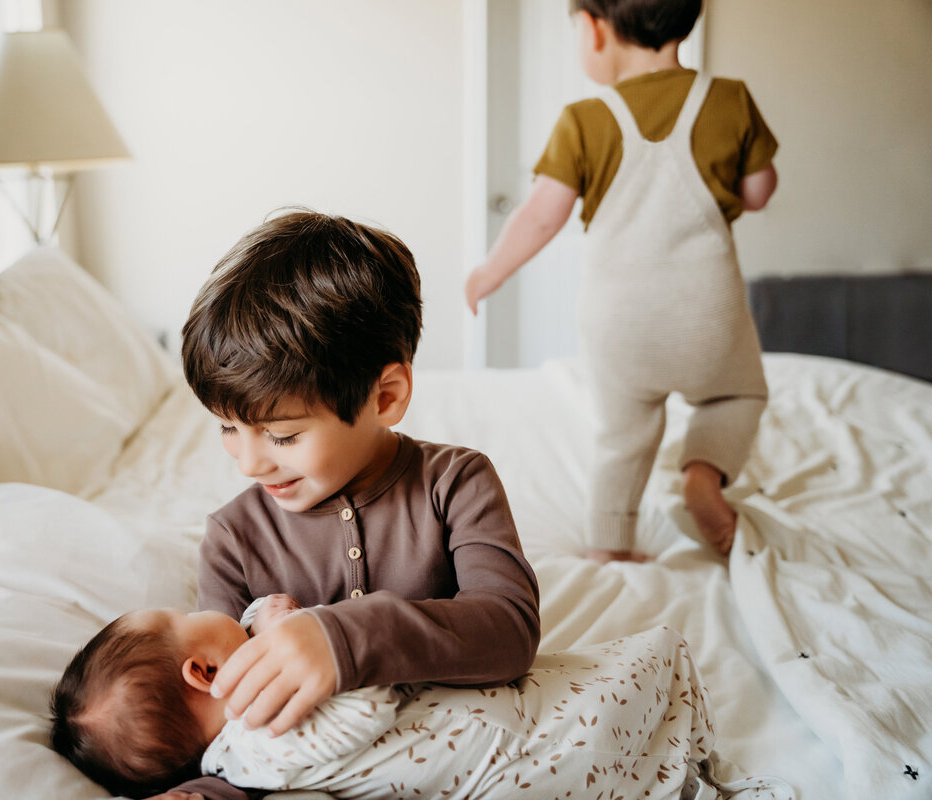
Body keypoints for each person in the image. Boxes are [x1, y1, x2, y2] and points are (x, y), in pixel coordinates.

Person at [164, 210, 542, 799]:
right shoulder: (233, 539)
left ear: (386, 397)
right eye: (226, 429)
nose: (249, 463)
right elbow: (224, 721)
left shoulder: (456, 482)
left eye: (282, 436)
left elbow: (510, 630)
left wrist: (342, 639)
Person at [464, 0, 778, 563]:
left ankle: (608, 545)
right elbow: (758, 192)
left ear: (593, 28)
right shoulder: (729, 98)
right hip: (708, 317)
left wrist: (489, 273)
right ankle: (703, 474)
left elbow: (540, 215)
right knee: (740, 393)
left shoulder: (584, 118)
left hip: (619, 326)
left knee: (621, 438)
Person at [51, 604, 793, 799]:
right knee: (608, 686)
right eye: (189, 614)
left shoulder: (246, 753)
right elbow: (367, 699)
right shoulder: (259, 736)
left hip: (472, 721)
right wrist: (295, 628)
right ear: (205, 672)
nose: (212, 608)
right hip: (510, 749)